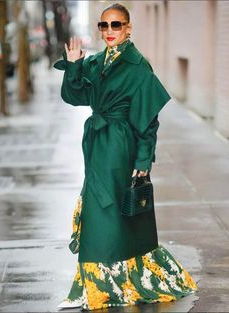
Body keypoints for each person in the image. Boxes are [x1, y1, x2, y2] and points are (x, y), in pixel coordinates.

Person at [54, 3, 198, 311]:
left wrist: (143, 164)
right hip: (97, 146)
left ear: (128, 28)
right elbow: (74, 96)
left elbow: (148, 123)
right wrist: (74, 64)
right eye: (104, 26)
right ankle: (104, 282)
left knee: (109, 213)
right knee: (104, 211)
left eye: (116, 25)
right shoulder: (95, 62)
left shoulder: (138, 66)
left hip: (121, 147)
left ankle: (104, 285)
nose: (109, 31)